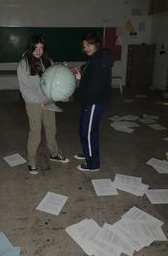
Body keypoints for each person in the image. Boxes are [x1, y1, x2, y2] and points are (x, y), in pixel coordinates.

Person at [17, 35, 69, 174]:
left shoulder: (48, 60)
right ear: (31, 47)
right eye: (36, 47)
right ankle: (31, 161)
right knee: (36, 133)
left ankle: (54, 154)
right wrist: (39, 100)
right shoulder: (23, 64)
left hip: (48, 102)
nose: (39, 51)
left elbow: (53, 80)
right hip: (34, 103)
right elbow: (24, 88)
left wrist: (61, 69)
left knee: (51, 129)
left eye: (41, 48)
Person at [74, 30, 113, 172]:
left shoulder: (100, 60)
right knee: (85, 130)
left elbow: (94, 87)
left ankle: (93, 164)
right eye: (84, 45)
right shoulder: (94, 59)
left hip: (94, 101)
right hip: (90, 101)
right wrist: (81, 78)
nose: (86, 48)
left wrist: (75, 95)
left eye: (89, 44)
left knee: (88, 132)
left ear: (97, 44)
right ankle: (87, 153)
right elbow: (91, 81)